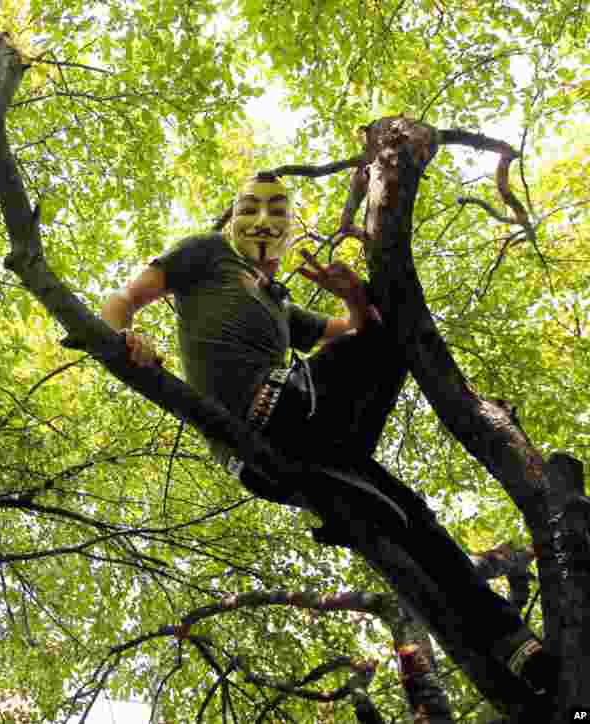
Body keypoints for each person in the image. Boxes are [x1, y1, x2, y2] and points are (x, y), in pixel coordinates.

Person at [101, 172, 556, 699]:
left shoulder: (278, 303)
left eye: (276, 211)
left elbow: (351, 334)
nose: (263, 221)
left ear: (291, 227)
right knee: (390, 333)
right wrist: (123, 339)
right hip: (266, 421)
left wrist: (355, 301)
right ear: (230, 220)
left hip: (309, 444)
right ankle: (347, 484)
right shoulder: (205, 255)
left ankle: (519, 650)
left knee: (411, 517)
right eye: (249, 209)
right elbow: (125, 298)